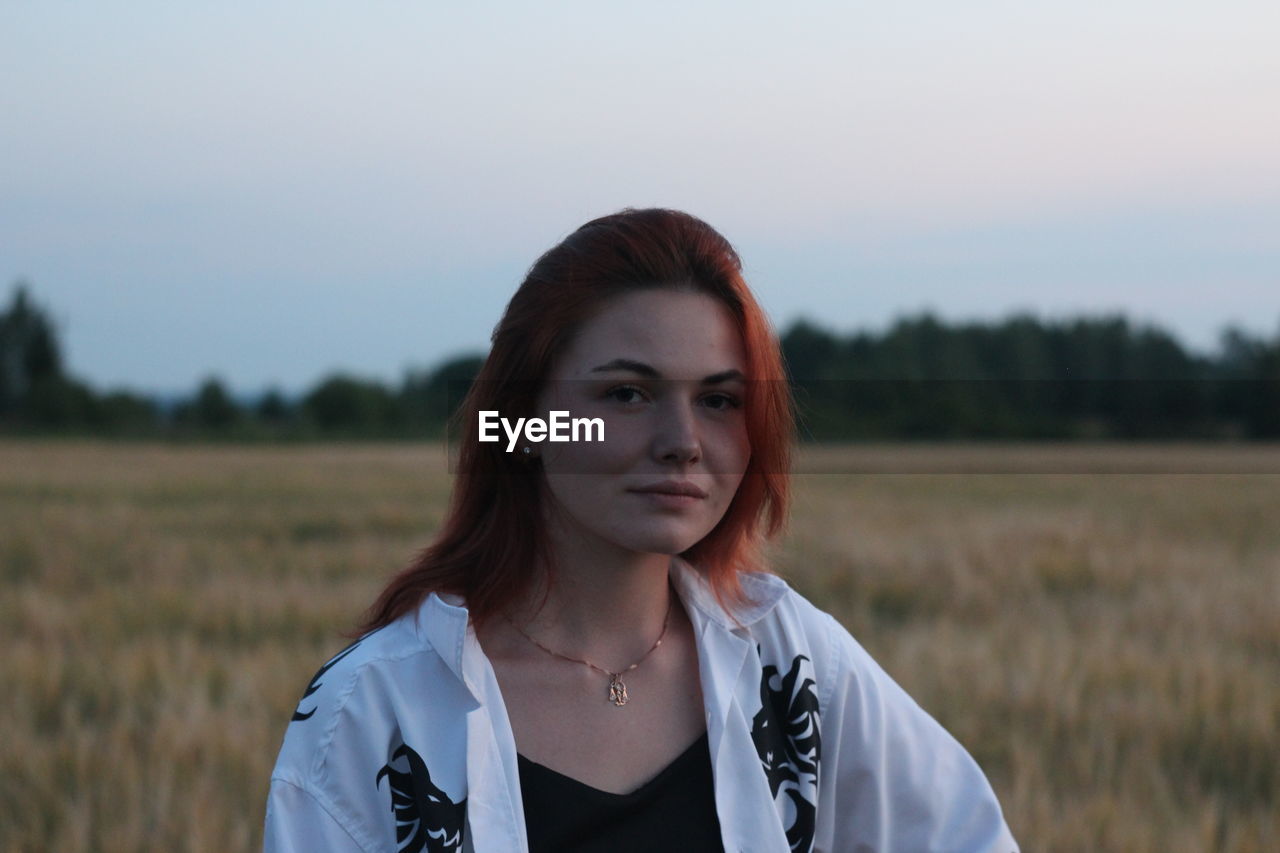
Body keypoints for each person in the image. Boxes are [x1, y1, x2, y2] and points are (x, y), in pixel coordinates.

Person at [263, 208, 1020, 853]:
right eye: (628, 392)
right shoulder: (372, 711)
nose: (682, 440)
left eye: (720, 399)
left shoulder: (793, 660)